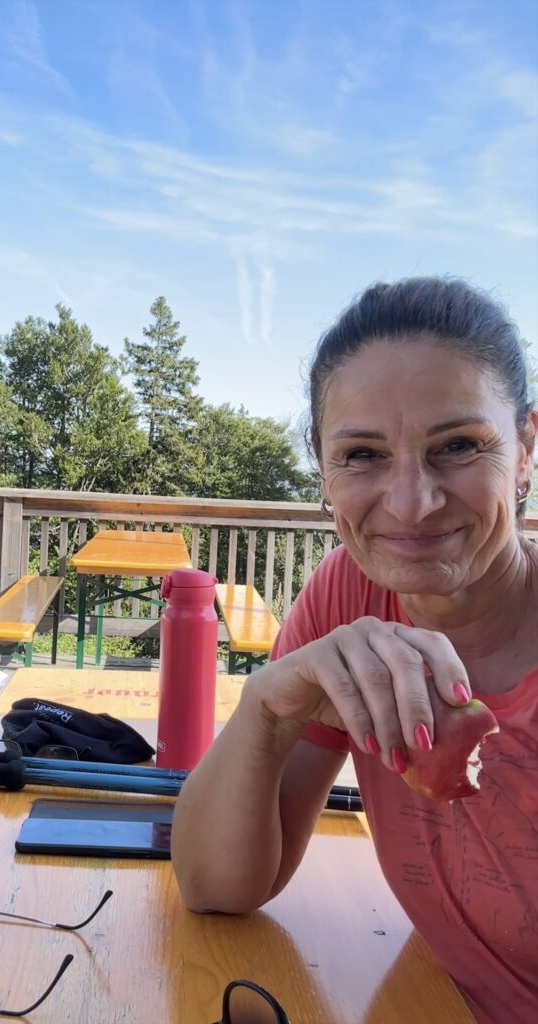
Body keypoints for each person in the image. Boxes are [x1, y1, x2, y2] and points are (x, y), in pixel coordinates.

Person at [171, 277, 537, 1024]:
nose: (411, 502)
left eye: (459, 446)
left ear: (526, 449)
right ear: (323, 470)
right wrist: (271, 704)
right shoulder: (350, 593)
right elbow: (217, 885)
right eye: (364, 454)